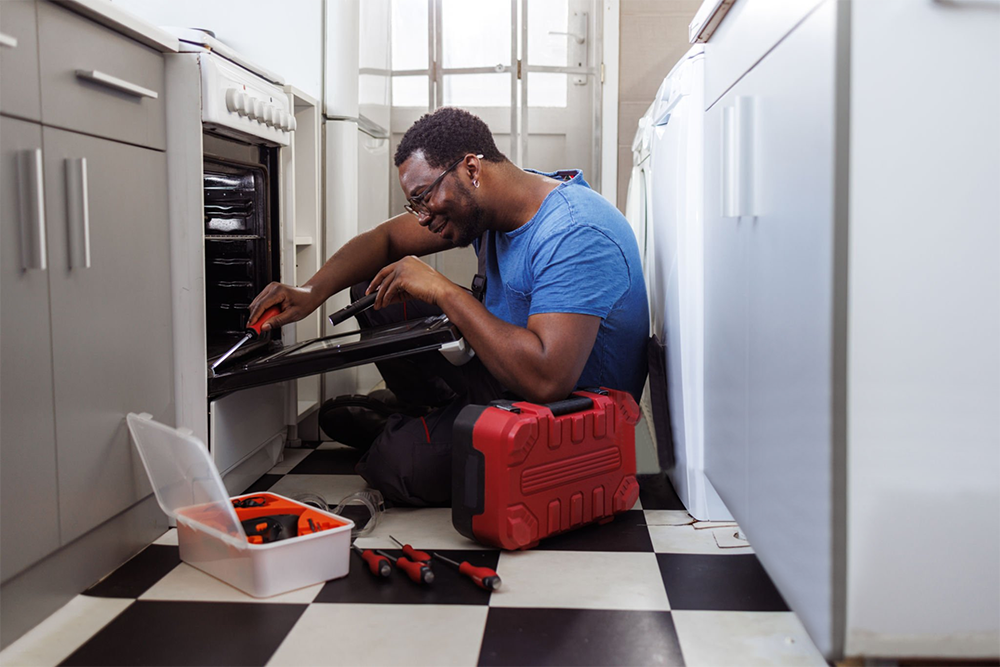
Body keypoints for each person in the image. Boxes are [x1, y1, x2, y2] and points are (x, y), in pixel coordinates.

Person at [247, 107, 649, 506]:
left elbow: (548, 381)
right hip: (507, 369)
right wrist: (310, 291)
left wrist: (443, 290)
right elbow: (385, 240)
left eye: (424, 199)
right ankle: (430, 415)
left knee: (394, 466)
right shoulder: (499, 203)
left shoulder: (575, 232)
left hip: (572, 416)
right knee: (374, 290)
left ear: (472, 169)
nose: (422, 219)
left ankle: (411, 431)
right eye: (414, 206)